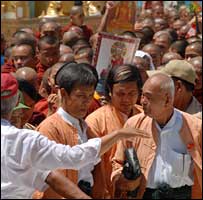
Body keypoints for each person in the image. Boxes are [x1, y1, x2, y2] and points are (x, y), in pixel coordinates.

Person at [1, 72, 148, 199]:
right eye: (80, 95)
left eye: (90, 96)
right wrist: (117, 135)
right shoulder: (25, 140)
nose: (86, 101)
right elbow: (73, 157)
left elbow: (44, 175)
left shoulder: (25, 140)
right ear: (16, 103)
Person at [111, 73, 202, 199]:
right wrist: (125, 178)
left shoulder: (195, 127)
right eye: (142, 95)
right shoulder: (134, 125)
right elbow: (118, 163)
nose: (142, 101)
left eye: (148, 97)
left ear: (167, 100)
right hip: (145, 194)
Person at [85, 64, 143, 198]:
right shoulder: (95, 121)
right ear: (110, 91)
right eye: (120, 94)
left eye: (132, 93)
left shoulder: (145, 117)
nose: (126, 99)